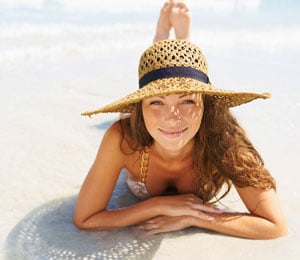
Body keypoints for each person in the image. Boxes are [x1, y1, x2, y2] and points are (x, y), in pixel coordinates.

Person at [74, 1, 288, 239]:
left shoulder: (226, 141)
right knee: (158, 84)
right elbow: (85, 219)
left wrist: (194, 216)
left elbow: (275, 226)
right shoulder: (122, 138)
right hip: (141, 127)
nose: (172, 117)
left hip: (189, 123)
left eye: (187, 101)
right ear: (140, 107)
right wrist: (155, 206)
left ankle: (176, 51)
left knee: (167, 87)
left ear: (205, 104)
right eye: (156, 102)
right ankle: (164, 39)